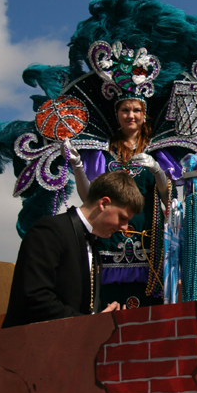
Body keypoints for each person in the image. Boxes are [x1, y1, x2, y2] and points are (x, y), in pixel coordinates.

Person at [64, 97, 172, 310]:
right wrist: (77, 166)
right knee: (109, 302)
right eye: (125, 110)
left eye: (136, 110)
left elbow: (169, 199)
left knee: (148, 307)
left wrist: (157, 170)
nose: (131, 116)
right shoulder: (103, 152)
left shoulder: (157, 150)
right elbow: (89, 199)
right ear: (117, 114)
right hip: (109, 239)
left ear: (144, 114)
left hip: (147, 241)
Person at [2, 171, 144, 328]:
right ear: (104, 203)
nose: (125, 227)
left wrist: (102, 319)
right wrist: (91, 323)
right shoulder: (49, 231)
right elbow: (34, 298)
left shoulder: (93, 245)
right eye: (122, 217)